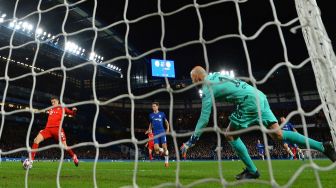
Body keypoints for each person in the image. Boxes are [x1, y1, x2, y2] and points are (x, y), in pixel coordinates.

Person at [180, 66, 336, 180]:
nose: (193, 82)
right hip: (258, 95)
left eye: (193, 79)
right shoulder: (215, 75)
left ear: (198, 78)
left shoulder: (207, 88)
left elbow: (204, 118)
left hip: (248, 102)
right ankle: (323, 146)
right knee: (278, 135)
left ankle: (252, 170)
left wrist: (191, 141)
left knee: (230, 135)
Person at [25, 96, 79, 168]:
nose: (53, 103)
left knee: (64, 146)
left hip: (58, 129)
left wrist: (74, 111)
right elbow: (41, 111)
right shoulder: (50, 109)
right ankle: (31, 161)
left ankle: (74, 156)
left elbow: (72, 114)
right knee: (36, 140)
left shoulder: (62, 108)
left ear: (58, 101)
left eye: (54, 102)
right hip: (48, 129)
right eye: (52, 102)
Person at [148, 102, 170, 167]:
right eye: (152, 106)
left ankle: (166, 161)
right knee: (156, 149)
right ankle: (164, 150)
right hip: (155, 132)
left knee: (164, 146)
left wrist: (168, 129)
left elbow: (166, 122)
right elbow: (151, 123)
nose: (153, 107)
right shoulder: (151, 115)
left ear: (157, 107)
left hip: (162, 131)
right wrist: (149, 129)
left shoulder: (162, 114)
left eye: (154, 106)